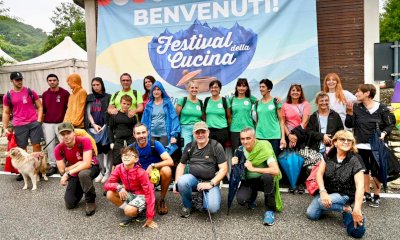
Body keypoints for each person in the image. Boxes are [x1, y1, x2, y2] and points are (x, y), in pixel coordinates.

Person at [306, 130, 366, 238]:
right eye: (342, 139)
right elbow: (319, 174)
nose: (346, 142)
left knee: (321, 202)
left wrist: (357, 208)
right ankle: (345, 209)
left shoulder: (355, 159)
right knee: (311, 215)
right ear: (335, 142)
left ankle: (350, 209)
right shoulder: (328, 155)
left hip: (344, 193)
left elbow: (360, 186)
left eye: (349, 140)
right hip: (328, 191)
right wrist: (323, 191)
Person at [345, 84, 394, 207]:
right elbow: (349, 125)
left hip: (376, 145)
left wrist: (383, 133)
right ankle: (366, 194)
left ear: (367, 93)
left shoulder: (382, 108)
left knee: (377, 171)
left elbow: (389, 125)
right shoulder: (356, 108)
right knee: (364, 170)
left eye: (358, 92)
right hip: (361, 145)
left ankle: (377, 195)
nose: (356, 94)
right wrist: (349, 113)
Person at [174, 121, 228, 218]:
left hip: (210, 181)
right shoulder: (189, 146)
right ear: (193, 134)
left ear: (208, 132)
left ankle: (200, 197)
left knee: (212, 208)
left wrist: (211, 183)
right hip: (194, 180)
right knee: (182, 181)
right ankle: (188, 205)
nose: (200, 135)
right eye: (197, 132)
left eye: (203, 132)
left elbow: (224, 169)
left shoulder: (216, 146)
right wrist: (176, 182)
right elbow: (181, 165)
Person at [233, 127, 281, 226]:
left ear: (254, 138)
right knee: (241, 200)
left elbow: (275, 170)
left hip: (262, 181)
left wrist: (253, 169)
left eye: (248, 138)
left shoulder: (264, 147)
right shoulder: (239, 150)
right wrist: (234, 165)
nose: (245, 141)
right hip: (249, 181)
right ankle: (252, 198)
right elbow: (237, 174)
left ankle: (269, 211)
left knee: (268, 177)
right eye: (242, 139)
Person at [2, 72, 44, 181]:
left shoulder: (30, 91)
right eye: (17, 80)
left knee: (37, 147)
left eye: (21, 79)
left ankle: (37, 170)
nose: (19, 81)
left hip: (34, 123)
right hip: (19, 125)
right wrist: (5, 127)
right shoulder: (8, 95)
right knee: (22, 149)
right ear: (12, 81)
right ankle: (24, 170)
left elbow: (40, 106)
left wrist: (38, 120)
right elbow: (6, 112)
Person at [104, 146, 157, 228]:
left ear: (136, 159)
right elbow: (107, 184)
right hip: (129, 193)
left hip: (142, 195)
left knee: (129, 210)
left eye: (130, 155)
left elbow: (149, 194)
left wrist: (150, 217)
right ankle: (133, 213)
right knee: (109, 194)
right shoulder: (118, 167)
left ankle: (139, 211)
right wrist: (119, 187)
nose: (126, 157)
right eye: (124, 155)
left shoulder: (141, 173)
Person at [54, 122, 100, 216]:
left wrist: (68, 173)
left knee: (83, 174)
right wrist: (78, 163)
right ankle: (82, 187)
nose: (66, 136)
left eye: (68, 133)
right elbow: (62, 170)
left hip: (92, 167)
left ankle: (90, 200)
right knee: (70, 203)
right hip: (75, 172)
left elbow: (87, 164)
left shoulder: (84, 140)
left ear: (74, 132)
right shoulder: (58, 148)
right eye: (63, 134)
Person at [130, 123, 174, 215]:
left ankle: (161, 199)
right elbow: (125, 168)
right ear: (134, 135)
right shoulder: (131, 148)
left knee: (167, 170)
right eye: (138, 133)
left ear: (148, 133)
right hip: (140, 178)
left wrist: (152, 165)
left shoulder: (155, 144)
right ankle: (140, 198)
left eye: (143, 132)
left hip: (154, 176)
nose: (141, 135)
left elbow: (170, 161)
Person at [281, 83, 311, 193]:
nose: (295, 92)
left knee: (301, 160)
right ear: (289, 92)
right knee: (289, 160)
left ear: (301, 93)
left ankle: (301, 183)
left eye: (297, 90)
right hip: (288, 135)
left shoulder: (305, 104)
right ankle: (291, 183)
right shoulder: (284, 105)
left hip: (301, 136)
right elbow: (283, 122)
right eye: (293, 90)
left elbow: (305, 121)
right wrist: (289, 135)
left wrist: (295, 136)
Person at [41, 73, 70, 176]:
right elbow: (43, 110)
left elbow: (69, 108)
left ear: (58, 81)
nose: (52, 82)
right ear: (48, 82)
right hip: (48, 123)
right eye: (50, 80)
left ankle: (66, 164)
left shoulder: (65, 93)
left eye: (54, 80)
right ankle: (53, 165)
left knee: (65, 143)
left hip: (61, 123)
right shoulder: (45, 94)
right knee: (50, 146)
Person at [84, 77, 112, 183]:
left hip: (105, 127)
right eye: (93, 85)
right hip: (93, 128)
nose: (95, 87)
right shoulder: (89, 97)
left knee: (106, 149)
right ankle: (102, 171)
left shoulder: (108, 97)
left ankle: (108, 171)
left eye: (97, 85)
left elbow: (109, 112)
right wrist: (94, 124)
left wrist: (104, 126)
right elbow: (88, 112)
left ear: (102, 85)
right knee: (97, 150)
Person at [141, 81, 180, 151]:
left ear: (162, 91)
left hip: (164, 135)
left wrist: (173, 135)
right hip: (151, 135)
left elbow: (174, 119)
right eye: (154, 89)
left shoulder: (167, 104)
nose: (156, 92)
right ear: (152, 92)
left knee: (164, 155)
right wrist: (144, 134)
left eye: (158, 89)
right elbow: (144, 121)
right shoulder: (149, 105)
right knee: (152, 156)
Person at [255, 79, 286, 156]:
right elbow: (257, 120)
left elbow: (281, 121)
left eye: (263, 87)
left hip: (274, 136)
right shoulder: (257, 103)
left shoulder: (276, 101)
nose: (260, 89)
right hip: (260, 136)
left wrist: (283, 138)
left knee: (274, 160)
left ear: (269, 89)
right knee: (262, 161)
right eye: (260, 87)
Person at [109, 95, 138, 166]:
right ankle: (115, 176)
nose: (125, 106)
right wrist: (111, 142)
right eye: (124, 103)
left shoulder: (132, 116)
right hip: (118, 141)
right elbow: (110, 129)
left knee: (132, 160)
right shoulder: (114, 115)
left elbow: (135, 129)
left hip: (131, 141)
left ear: (130, 105)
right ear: (120, 103)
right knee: (116, 162)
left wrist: (136, 140)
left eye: (128, 104)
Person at [230, 78, 257, 151]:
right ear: (236, 87)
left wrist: (277, 99)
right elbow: (228, 115)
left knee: (250, 154)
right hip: (235, 130)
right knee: (236, 154)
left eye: (244, 86)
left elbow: (264, 101)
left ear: (247, 88)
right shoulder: (231, 99)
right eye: (239, 86)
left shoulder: (251, 98)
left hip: (248, 130)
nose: (241, 88)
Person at [176, 80, 203, 149]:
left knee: (198, 149)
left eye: (196, 88)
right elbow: (176, 116)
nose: (194, 89)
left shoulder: (200, 102)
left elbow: (203, 117)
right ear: (188, 89)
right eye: (192, 87)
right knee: (185, 149)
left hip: (198, 129)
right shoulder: (183, 100)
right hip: (185, 129)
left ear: (198, 89)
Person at [204, 80, 231, 146]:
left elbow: (229, 117)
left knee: (220, 152)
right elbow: (204, 115)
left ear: (220, 89)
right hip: (209, 131)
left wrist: (229, 131)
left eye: (216, 87)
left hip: (222, 131)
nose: (214, 89)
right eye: (212, 87)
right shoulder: (207, 100)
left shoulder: (224, 100)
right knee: (209, 152)